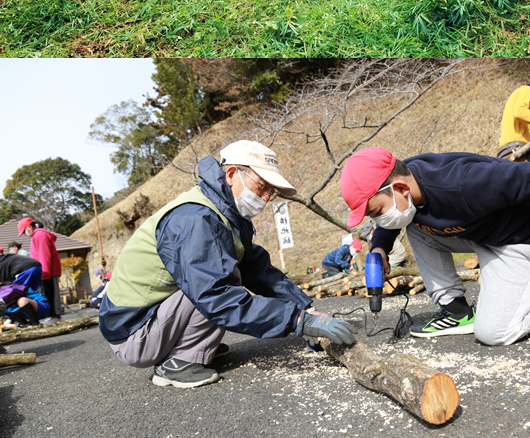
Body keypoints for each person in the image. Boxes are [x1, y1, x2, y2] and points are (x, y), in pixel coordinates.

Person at [99, 140, 357, 389]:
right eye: (261, 187)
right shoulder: (195, 219)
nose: (266, 198)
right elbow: (216, 296)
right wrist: (297, 321)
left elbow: (259, 270)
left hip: (149, 320)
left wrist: (306, 310)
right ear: (232, 173)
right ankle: (177, 363)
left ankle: (191, 346)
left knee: (226, 272)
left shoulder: (223, 214)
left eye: (271, 191)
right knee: (222, 281)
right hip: (135, 334)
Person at [340, 146, 530, 344]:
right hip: (482, 233)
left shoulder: (462, 183)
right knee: (415, 226)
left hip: (520, 238)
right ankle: (456, 311)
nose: (378, 219)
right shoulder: (406, 186)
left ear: (400, 188)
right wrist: (380, 247)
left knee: (494, 333)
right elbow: (393, 220)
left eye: (376, 211)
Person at [17, 218, 62, 324]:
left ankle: (54, 315)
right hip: (45, 270)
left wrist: (44, 272)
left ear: (29, 227)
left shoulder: (40, 235)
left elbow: (44, 255)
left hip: (47, 271)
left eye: (24, 231)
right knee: (46, 293)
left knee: (49, 292)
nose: (25, 234)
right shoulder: (37, 235)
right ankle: (52, 315)